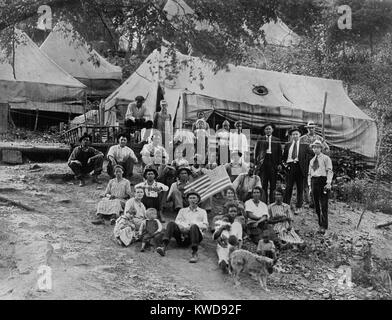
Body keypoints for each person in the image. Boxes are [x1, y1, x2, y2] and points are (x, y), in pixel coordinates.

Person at [156, 190, 208, 263]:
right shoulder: (182, 210)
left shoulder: (202, 211)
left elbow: (205, 225)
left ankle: (194, 253)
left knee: (194, 227)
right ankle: (163, 246)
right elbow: (177, 221)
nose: (192, 200)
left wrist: (192, 225)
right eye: (190, 198)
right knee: (171, 223)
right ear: (188, 200)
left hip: (194, 235)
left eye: (194, 198)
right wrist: (182, 227)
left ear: (198, 200)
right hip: (182, 234)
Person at [300, 121, 330, 207]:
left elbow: (327, 148)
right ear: (307, 128)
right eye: (309, 128)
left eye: (312, 127)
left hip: (317, 161)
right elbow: (299, 149)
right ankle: (307, 200)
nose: (311, 129)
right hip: (306, 161)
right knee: (306, 179)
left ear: (315, 128)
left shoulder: (319, 138)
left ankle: (316, 200)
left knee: (316, 180)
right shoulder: (302, 138)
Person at [282, 127, 312, 214]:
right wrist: (285, 166)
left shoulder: (305, 146)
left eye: (297, 134)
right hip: (290, 167)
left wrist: (307, 166)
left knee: (300, 188)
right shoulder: (287, 145)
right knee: (288, 187)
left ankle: (299, 206)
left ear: (300, 135)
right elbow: (283, 158)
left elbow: (312, 155)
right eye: (293, 134)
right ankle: (285, 206)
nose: (295, 136)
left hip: (300, 168)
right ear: (291, 136)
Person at [308, 140, 333, 234]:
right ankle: (320, 224)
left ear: (321, 148)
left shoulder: (326, 158)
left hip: (323, 181)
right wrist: (310, 187)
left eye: (318, 147)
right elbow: (309, 174)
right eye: (314, 147)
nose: (316, 149)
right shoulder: (311, 160)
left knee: (323, 205)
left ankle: (324, 225)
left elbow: (329, 171)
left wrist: (328, 183)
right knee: (316, 205)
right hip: (314, 181)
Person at [254, 123, 282, 204]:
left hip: (273, 163)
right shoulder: (261, 139)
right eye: (266, 129)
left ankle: (272, 202)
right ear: (264, 130)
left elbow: (280, 153)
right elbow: (256, 152)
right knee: (264, 184)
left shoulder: (276, 140)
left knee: (273, 184)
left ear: (272, 130)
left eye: (269, 129)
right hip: (263, 163)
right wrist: (256, 163)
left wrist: (279, 163)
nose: (268, 130)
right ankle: (264, 202)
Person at [213, 204, 243, 273]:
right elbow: (215, 237)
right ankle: (224, 264)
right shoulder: (221, 223)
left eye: (234, 211)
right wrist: (222, 228)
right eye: (231, 211)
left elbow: (240, 239)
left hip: (233, 244)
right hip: (223, 244)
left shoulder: (238, 225)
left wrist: (239, 249)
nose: (233, 213)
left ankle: (231, 264)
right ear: (228, 212)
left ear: (237, 213)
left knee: (233, 251)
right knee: (223, 252)